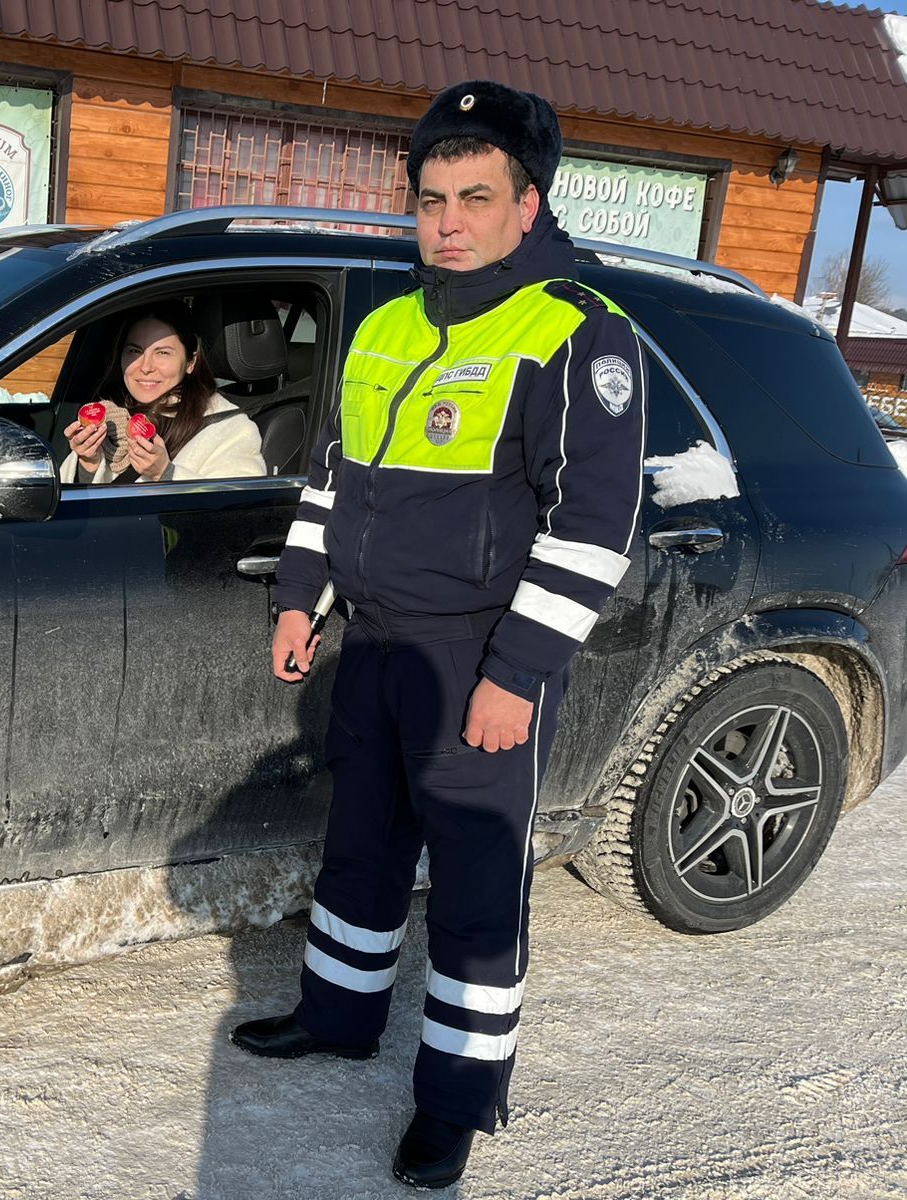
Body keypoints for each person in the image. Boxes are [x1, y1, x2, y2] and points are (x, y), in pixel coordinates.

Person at [230, 81, 645, 1190]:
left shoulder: (573, 331)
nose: (447, 220)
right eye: (430, 198)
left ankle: (457, 1098)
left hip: (480, 654)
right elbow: (333, 478)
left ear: (527, 203)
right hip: (373, 645)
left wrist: (516, 675)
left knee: (471, 885)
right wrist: (298, 595)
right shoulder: (385, 326)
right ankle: (338, 1015)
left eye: (474, 196)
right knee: (360, 842)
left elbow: (594, 528)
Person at [60, 301, 267, 483]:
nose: (146, 366)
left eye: (162, 353)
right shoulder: (109, 417)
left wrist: (166, 474)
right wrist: (89, 463)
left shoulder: (231, 429)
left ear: (190, 361)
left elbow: (238, 511)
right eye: (135, 351)